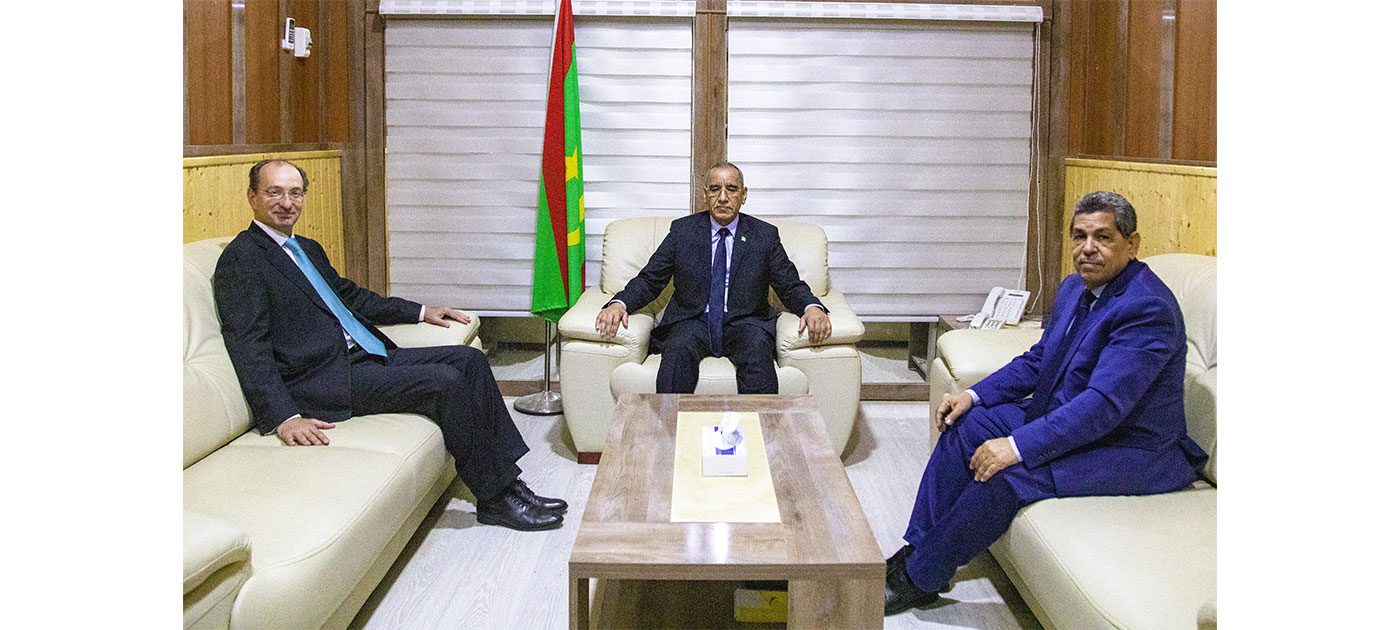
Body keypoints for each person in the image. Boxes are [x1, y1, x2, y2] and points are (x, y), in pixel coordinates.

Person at [884, 191, 1208, 615]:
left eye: (1103, 237)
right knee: (966, 424)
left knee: (1007, 473)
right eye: (1079, 236)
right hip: (1068, 416)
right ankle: (920, 548)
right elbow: (1040, 359)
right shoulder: (1075, 287)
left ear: (1132, 244)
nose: (1087, 248)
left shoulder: (1147, 308)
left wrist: (1016, 446)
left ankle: (919, 579)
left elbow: (1103, 406)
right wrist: (972, 395)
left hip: (1130, 447)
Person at [213, 159, 566, 532]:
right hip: (320, 379)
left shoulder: (307, 248)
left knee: (469, 360)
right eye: (274, 192)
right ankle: (495, 499)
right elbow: (248, 344)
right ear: (252, 197)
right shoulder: (242, 259)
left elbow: (350, 297)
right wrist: (284, 417)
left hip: (362, 356)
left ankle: (509, 483)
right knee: (444, 381)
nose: (287, 203)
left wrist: (421, 312)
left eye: (295, 193)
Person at [594, 162, 832, 394]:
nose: (723, 197)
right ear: (705, 194)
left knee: (756, 350)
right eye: (715, 189)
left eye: (731, 189)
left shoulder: (764, 236)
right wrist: (619, 304)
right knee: (677, 350)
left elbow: (788, 284)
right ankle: (670, 420)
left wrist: (811, 307)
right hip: (692, 320)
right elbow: (651, 279)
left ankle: (761, 421)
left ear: (744, 195)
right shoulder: (682, 231)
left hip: (746, 322)